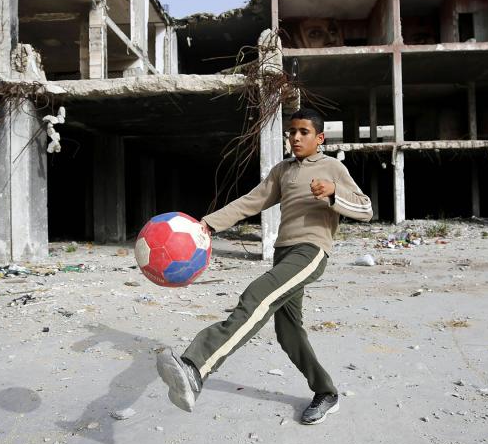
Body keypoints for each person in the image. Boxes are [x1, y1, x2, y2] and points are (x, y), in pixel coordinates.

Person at [156, 108, 372, 425]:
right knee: (288, 332)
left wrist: (333, 193)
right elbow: (251, 201)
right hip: (283, 254)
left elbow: (366, 208)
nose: (296, 137)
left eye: (304, 132)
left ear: (320, 138)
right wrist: (208, 225)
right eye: (292, 132)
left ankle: (196, 366)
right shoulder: (282, 171)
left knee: (257, 295)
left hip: (310, 250)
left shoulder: (332, 168)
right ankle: (326, 392)